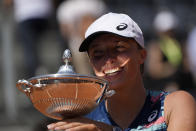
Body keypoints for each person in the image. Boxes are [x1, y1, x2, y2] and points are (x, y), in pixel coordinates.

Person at [47, 13, 196, 131]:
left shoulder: (174, 105)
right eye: (98, 54)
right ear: (91, 64)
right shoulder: (83, 120)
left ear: (142, 55)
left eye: (118, 49)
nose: (109, 59)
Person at [56, 0, 107, 75]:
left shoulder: (97, 4)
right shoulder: (66, 7)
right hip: (76, 45)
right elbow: (64, 30)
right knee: (83, 72)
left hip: (97, 42)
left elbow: (104, 22)